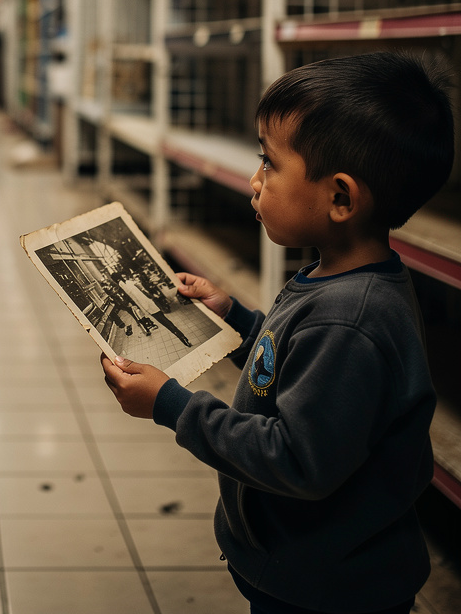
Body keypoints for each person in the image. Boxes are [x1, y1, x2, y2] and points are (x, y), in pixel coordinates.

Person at [101, 51, 455, 614]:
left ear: (340, 197)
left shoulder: (352, 318)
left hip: (327, 591)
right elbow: (299, 367)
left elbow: (295, 458)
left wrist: (172, 405)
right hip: (306, 567)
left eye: (270, 164)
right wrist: (237, 320)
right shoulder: (338, 275)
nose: (254, 180)